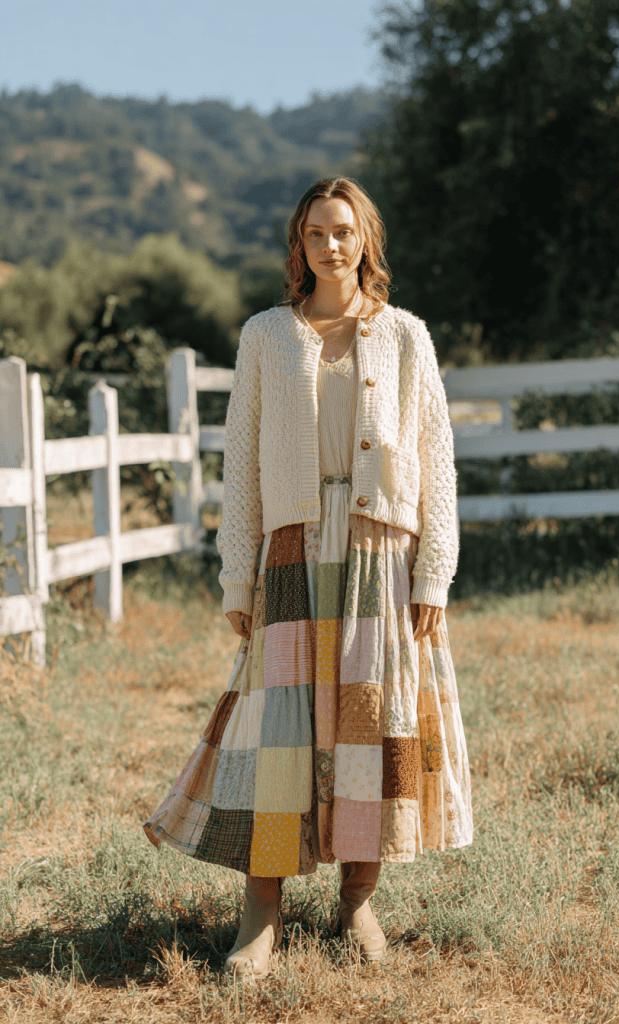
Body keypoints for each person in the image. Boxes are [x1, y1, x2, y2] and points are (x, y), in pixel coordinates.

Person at [143, 176, 473, 980]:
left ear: (367, 240)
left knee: (370, 723)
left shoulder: (403, 336)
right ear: (299, 243)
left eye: (345, 230)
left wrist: (433, 569)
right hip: (290, 552)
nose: (332, 244)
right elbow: (242, 464)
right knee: (277, 731)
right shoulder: (265, 335)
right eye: (317, 232)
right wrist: (236, 577)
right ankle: (262, 912)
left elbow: (435, 458)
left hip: (378, 552)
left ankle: (357, 897)